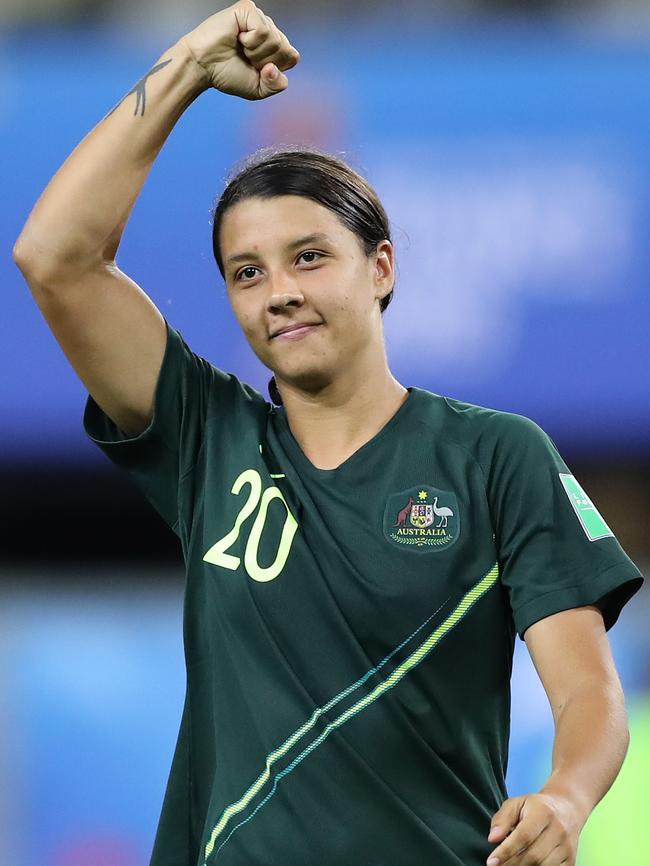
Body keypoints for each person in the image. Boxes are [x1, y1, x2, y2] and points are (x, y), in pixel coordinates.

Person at [12, 3, 645, 865]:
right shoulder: (209, 441)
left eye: (309, 256)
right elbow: (54, 256)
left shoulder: (495, 455)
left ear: (380, 267)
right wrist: (189, 66)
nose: (277, 291)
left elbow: (589, 695)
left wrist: (567, 800)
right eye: (247, 272)